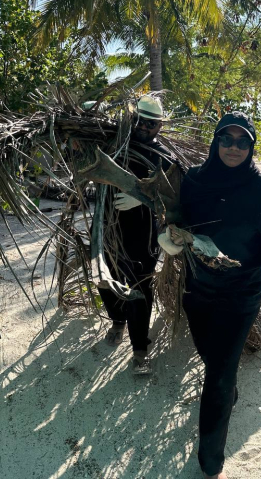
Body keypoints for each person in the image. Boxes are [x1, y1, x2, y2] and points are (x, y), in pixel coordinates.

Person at [158, 112, 261, 479]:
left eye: (243, 142)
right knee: (212, 361)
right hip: (196, 288)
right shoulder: (192, 180)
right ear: (215, 141)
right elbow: (176, 220)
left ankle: (211, 465)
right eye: (227, 139)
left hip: (240, 295)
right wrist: (168, 237)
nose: (234, 148)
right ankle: (226, 394)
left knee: (219, 377)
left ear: (251, 147)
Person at [97, 94, 173, 375]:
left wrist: (142, 199)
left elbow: (173, 191)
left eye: (151, 123)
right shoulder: (114, 143)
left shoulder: (163, 155)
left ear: (159, 127)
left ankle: (140, 349)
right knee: (107, 280)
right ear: (132, 119)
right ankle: (117, 320)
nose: (144, 127)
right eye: (140, 120)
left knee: (140, 287)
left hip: (143, 233)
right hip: (109, 226)